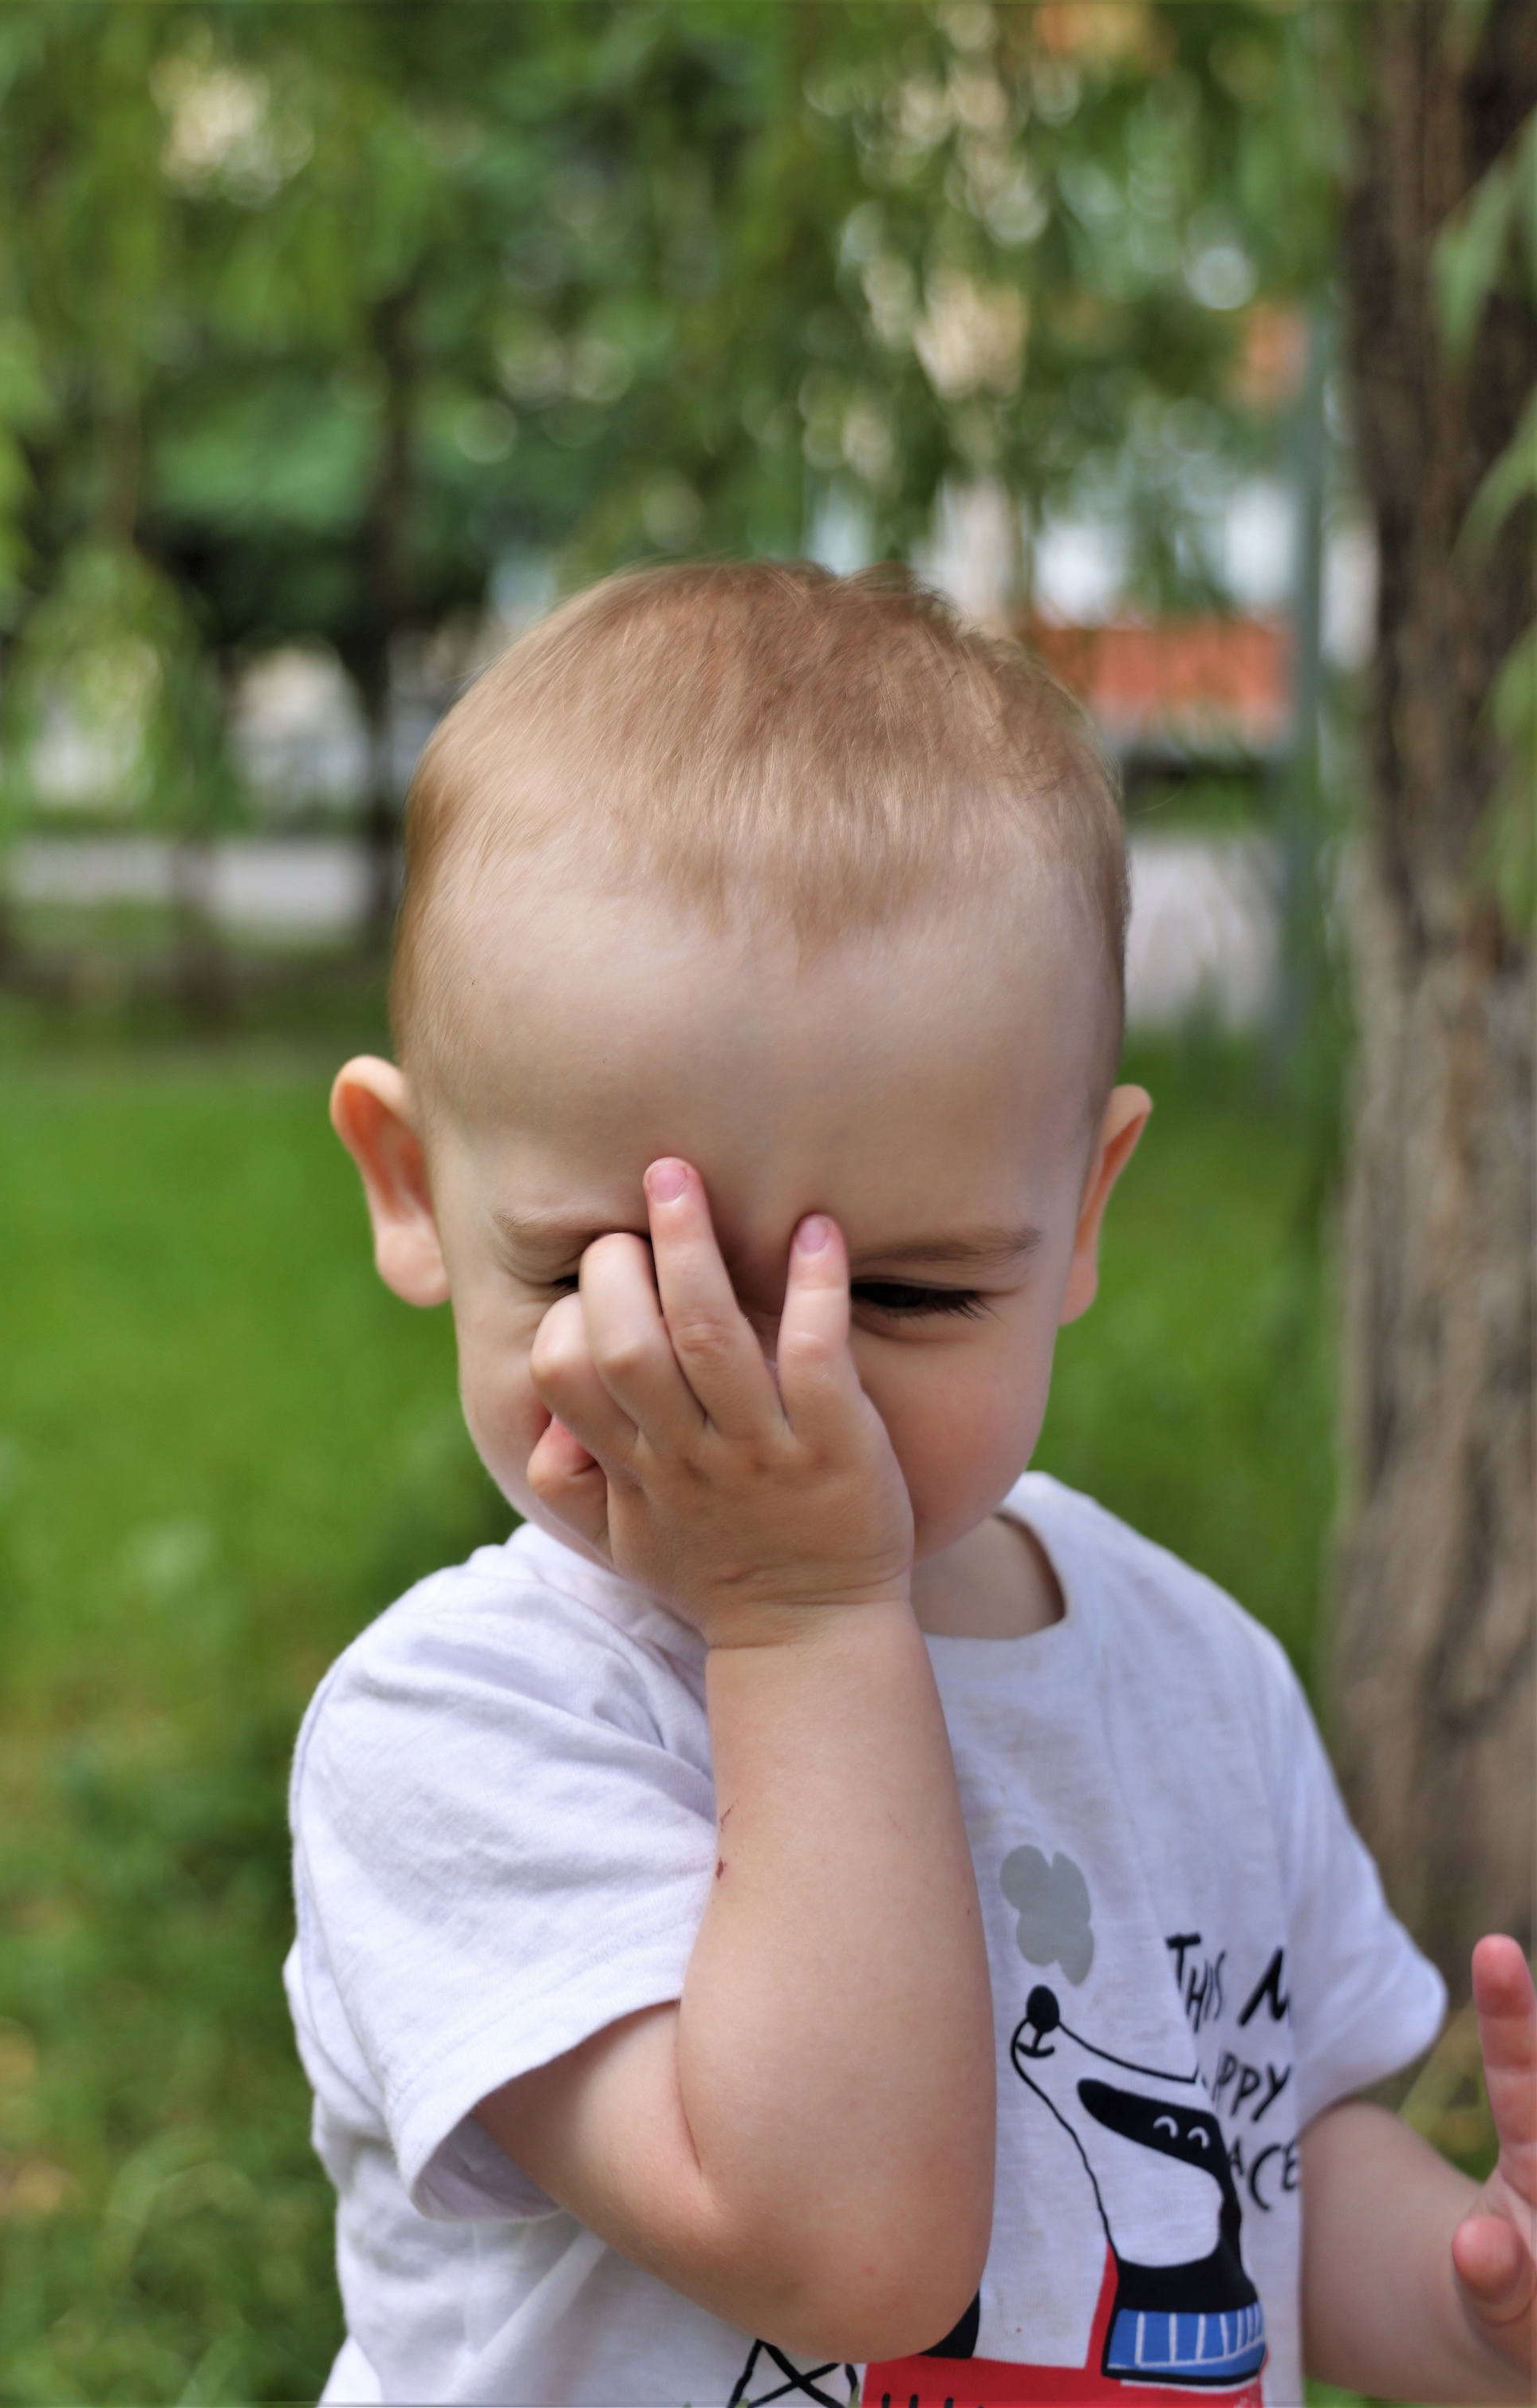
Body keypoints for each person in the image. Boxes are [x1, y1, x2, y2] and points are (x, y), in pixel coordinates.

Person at [287, 562, 1535, 2406]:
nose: (788, 1402)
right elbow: (842, 2248)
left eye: (904, 1293)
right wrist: (802, 1606)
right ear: (412, 1189)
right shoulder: (462, 1731)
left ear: (1081, 1210)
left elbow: (1254, 2168)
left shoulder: (1186, 1669)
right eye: (617, 1285)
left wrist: (1474, 2303)